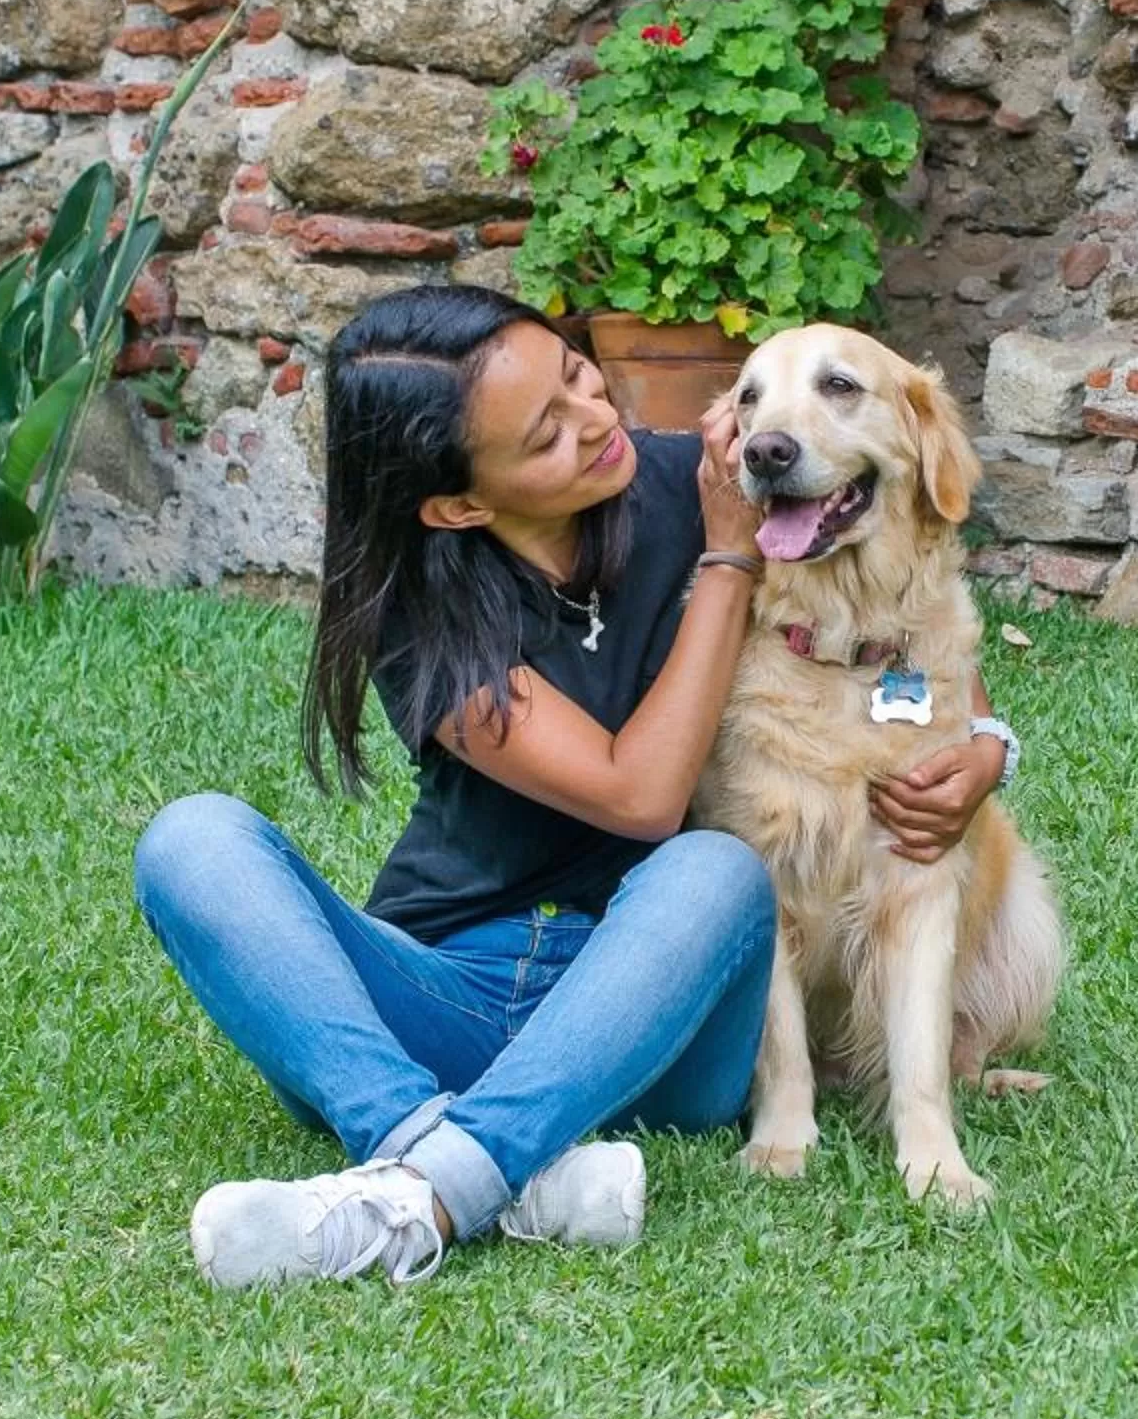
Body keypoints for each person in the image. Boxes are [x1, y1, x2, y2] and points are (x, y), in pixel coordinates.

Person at [132, 284, 1008, 1287]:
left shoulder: (694, 477)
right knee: (190, 841)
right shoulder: (423, 614)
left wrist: (987, 743)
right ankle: (460, 1165)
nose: (597, 420)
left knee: (717, 874)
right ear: (459, 502)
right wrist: (725, 561)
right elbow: (634, 794)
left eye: (579, 375)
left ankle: (416, 1182)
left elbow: (910, 608)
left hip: (661, 1004)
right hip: (448, 995)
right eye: (547, 432)